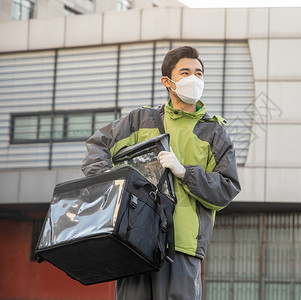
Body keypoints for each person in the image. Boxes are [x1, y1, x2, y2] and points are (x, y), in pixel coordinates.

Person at [81, 46, 241, 299]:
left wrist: (185, 173)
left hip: (182, 246)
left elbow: (226, 189)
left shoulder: (214, 133)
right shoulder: (140, 120)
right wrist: (112, 186)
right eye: (186, 72)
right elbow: (98, 144)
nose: (194, 79)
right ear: (167, 81)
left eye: (198, 73)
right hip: (133, 239)